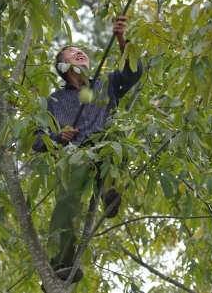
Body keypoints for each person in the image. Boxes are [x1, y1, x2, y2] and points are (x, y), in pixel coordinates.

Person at [32, 15, 142, 284]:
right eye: (72, 52)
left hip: (106, 147)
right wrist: (59, 136)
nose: (79, 52)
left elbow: (134, 72)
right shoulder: (53, 101)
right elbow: (37, 142)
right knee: (66, 202)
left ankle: (111, 189)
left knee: (119, 140)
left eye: (80, 51)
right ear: (62, 65)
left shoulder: (105, 82)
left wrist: (121, 39)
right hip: (75, 156)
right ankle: (61, 265)